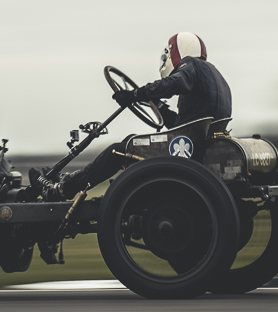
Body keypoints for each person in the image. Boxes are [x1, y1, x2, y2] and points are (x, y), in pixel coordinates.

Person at [30, 32, 232, 200]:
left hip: (184, 152)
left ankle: (63, 189)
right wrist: (159, 106)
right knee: (130, 142)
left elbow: (173, 84)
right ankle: (71, 179)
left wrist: (135, 94)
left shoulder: (191, 66)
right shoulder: (214, 75)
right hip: (193, 148)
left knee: (118, 151)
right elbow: (183, 125)